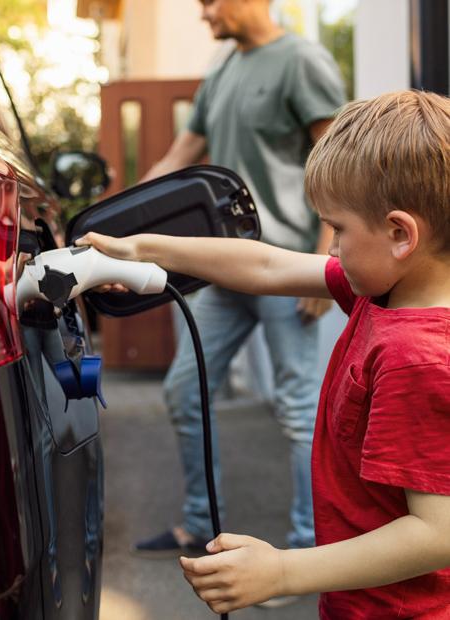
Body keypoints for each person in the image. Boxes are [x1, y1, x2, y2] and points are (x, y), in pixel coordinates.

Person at [77, 89, 450, 618]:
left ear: (399, 234)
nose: (333, 246)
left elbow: (438, 534)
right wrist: (140, 247)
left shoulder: (418, 356)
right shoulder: (384, 290)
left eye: (338, 229)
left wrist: (282, 571)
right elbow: (268, 266)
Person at [132, 0, 346, 567]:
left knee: (299, 410)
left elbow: (337, 156)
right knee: (185, 390)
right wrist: (120, 217)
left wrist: (327, 257)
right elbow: (181, 154)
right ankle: (202, 525)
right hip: (224, 270)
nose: (203, 12)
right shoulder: (222, 69)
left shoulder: (301, 60)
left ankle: (305, 550)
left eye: (209, 0)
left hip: (285, 266)